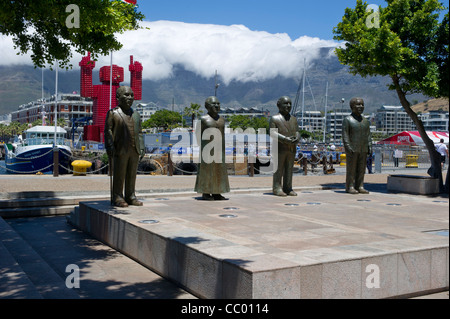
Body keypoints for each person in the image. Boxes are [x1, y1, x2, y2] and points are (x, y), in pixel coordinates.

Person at [104, 86, 145, 207]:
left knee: (132, 174)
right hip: (120, 148)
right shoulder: (113, 113)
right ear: (118, 97)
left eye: (131, 95)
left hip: (134, 149)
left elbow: (140, 132)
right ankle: (117, 196)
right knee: (119, 173)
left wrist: (142, 147)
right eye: (126, 95)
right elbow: (108, 131)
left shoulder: (136, 114)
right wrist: (110, 146)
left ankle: (131, 195)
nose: (130, 97)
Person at [194, 96, 230, 200]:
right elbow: (197, 135)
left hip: (220, 150)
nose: (217, 106)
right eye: (214, 104)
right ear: (207, 106)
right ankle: (205, 192)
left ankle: (217, 192)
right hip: (207, 150)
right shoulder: (203, 119)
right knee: (207, 171)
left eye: (218, 104)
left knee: (219, 171)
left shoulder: (222, 120)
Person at [269, 96, 300, 196]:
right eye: (286, 103)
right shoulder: (274, 118)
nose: (288, 106)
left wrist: (297, 138)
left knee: (289, 169)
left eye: (290, 103)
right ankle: (277, 187)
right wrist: (285, 139)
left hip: (291, 148)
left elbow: (297, 131)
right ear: (279, 105)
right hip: (279, 148)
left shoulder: (294, 119)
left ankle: (288, 187)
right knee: (278, 169)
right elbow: (272, 133)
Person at [342, 97, 372, 194]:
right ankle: (350, 186)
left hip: (363, 148)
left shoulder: (366, 121)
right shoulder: (347, 120)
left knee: (361, 169)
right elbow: (345, 135)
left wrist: (369, 146)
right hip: (352, 149)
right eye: (358, 104)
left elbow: (368, 135)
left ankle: (360, 186)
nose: (361, 106)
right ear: (352, 106)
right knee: (351, 169)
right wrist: (348, 146)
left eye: (362, 104)